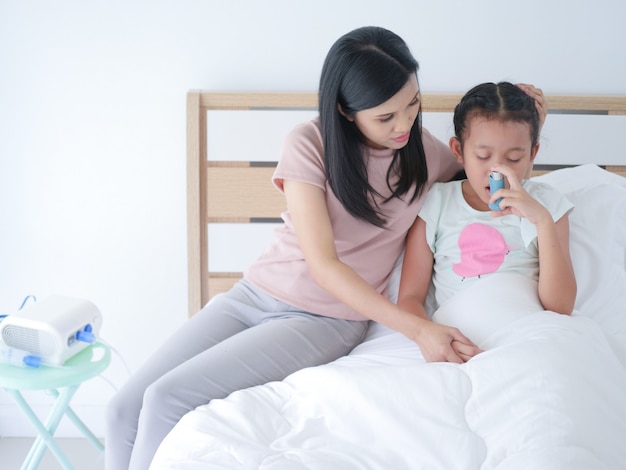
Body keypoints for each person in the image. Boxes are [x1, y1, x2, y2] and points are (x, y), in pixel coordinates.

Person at [105, 28, 546, 469]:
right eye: (385, 116)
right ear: (345, 110)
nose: (404, 125)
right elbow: (323, 265)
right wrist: (418, 330)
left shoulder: (427, 153)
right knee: (122, 408)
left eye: (412, 104)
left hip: (325, 319)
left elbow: (490, 162)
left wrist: (531, 117)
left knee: (165, 398)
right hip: (253, 295)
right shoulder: (309, 144)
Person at [397, 81, 576, 352]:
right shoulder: (436, 203)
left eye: (514, 159)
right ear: (458, 150)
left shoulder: (547, 205)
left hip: (528, 334)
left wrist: (542, 221)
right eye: (482, 156)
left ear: (532, 154)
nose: (497, 171)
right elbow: (409, 297)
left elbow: (561, 307)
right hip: (458, 338)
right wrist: (433, 336)